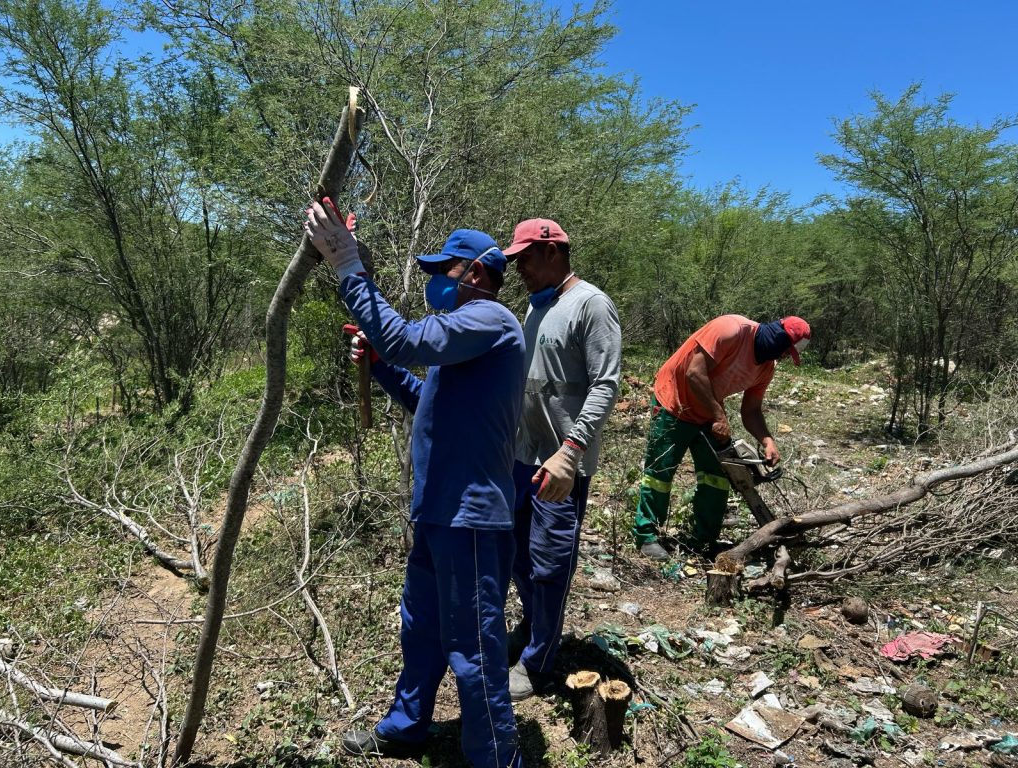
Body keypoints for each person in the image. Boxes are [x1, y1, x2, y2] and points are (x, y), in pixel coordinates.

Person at [305, 199, 525, 768]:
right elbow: (423, 396)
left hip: (469, 516)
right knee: (421, 625)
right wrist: (380, 364)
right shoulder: (464, 344)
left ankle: (497, 758)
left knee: (475, 645)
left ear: (477, 272)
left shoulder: (490, 320)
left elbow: (405, 338)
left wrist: (348, 264)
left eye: (444, 272)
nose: (436, 284)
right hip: (437, 511)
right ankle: (406, 727)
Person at [499, 218, 621, 701]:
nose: (519, 269)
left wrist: (571, 451)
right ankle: (535, 626)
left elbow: (605, 384)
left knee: (550, 566)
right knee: (516, 555)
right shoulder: (536, 308)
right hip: (523, 458)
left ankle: (538, 662)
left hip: (560, 466)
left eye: (525, 258)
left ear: (553, 251)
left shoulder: (591, 305)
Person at [633, 314, 810, 561]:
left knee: (716, 476)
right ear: (779, 339)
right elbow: (694, 373)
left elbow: (751, 411)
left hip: (709, 412)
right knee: (660, 472)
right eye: (785, 351)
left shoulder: (765, 369)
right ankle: (647, 536)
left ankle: (703, 540)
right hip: (674, 402)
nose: (783, 357)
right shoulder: (731, 330)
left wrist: (767, 440)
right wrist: (718, 415)